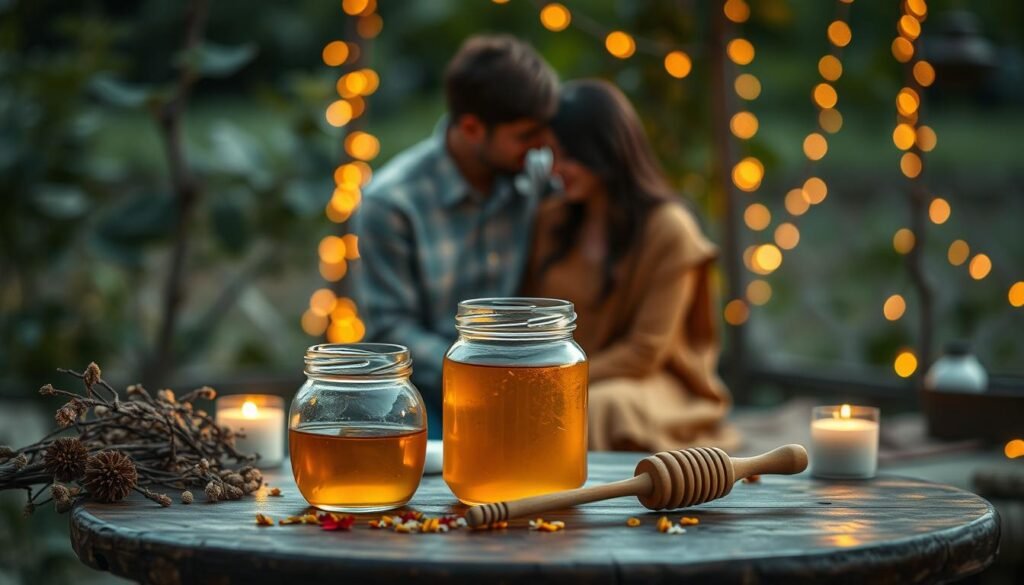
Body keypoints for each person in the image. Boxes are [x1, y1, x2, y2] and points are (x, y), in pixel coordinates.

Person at [520, 80, 738, 452]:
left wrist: (553, 381)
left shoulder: (670, 229)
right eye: (550, 155)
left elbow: (644, 353)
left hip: (649, 381)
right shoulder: (551, 220)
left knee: (602, 405)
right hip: (556, 377)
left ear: (604, 151)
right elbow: (529, 314)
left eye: (566, 156)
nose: (555, 170)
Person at [354, 35, 559, 429]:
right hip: (432, 397)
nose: (541, 146)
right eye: (526, 135)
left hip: (528, 382)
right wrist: (483, 373)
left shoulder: (535, 176)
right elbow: (392, 331)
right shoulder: (392, 202)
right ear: (471, 128)